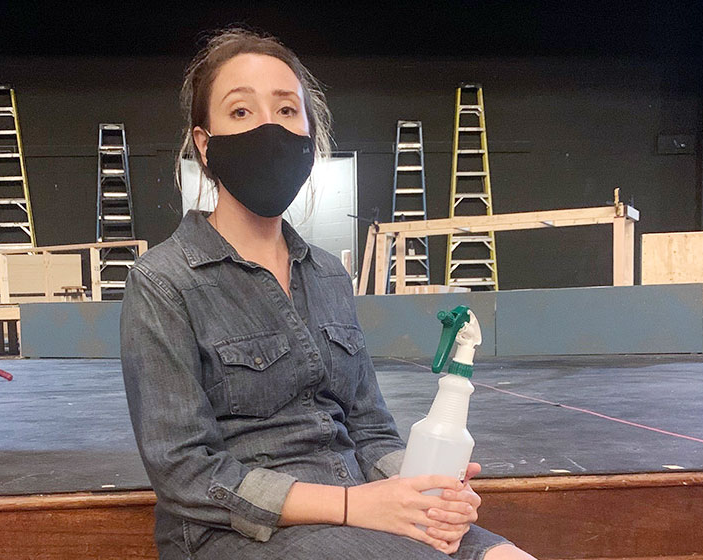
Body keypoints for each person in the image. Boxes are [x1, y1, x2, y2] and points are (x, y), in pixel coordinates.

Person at [120, 27, 536, 560]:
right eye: (242, 112)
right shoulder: (162, 282)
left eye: (288, 111)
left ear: (310, 135)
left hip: (362, 508)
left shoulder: (328, 276)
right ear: (205, 143)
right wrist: (353, 507)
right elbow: (187, 473)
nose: (269, 128)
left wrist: (426, 490)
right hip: (239, 534)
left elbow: (370, 428)